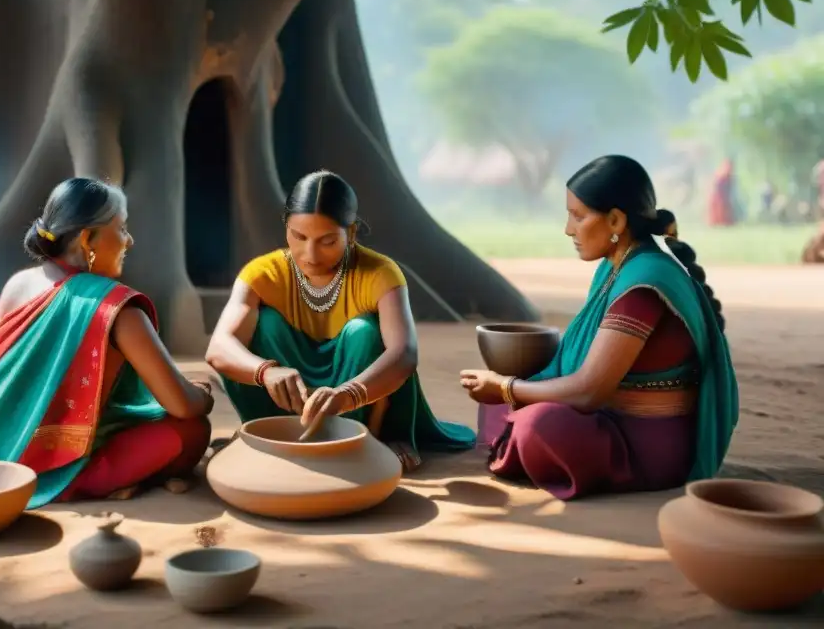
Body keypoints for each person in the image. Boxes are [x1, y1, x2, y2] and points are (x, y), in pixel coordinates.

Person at [461, 155, 739, 500]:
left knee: (537, 426)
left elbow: (588, 391)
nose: (568, 229)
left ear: (615, 220)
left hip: (646, 446)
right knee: (511, 407)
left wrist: (506, 386)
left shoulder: (644, 284)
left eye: (578, 216)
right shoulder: (617, 267)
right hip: (610, 419)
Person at [0, 178, 214, 509]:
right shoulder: (115, 308)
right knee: (193, 430)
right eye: (121, 228)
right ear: (86, 239)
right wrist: (203, 394)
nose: (130, 241)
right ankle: (79, 484)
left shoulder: (16, 285)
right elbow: (181, 405)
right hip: (51, 467)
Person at [205, 169, 475, 472]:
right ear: (286, 228)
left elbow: (404, 354)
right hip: (288, 388)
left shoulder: (380, 273)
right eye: (299, 236)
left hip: (359, 388)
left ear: (352, 233)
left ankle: (375, 435)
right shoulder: (261, 273)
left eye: (327, 241)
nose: (310, 254)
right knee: (264, 325)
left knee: (364, 332)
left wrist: (348, 395)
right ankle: (267, 430)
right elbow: (218, 348)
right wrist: (264, 372)